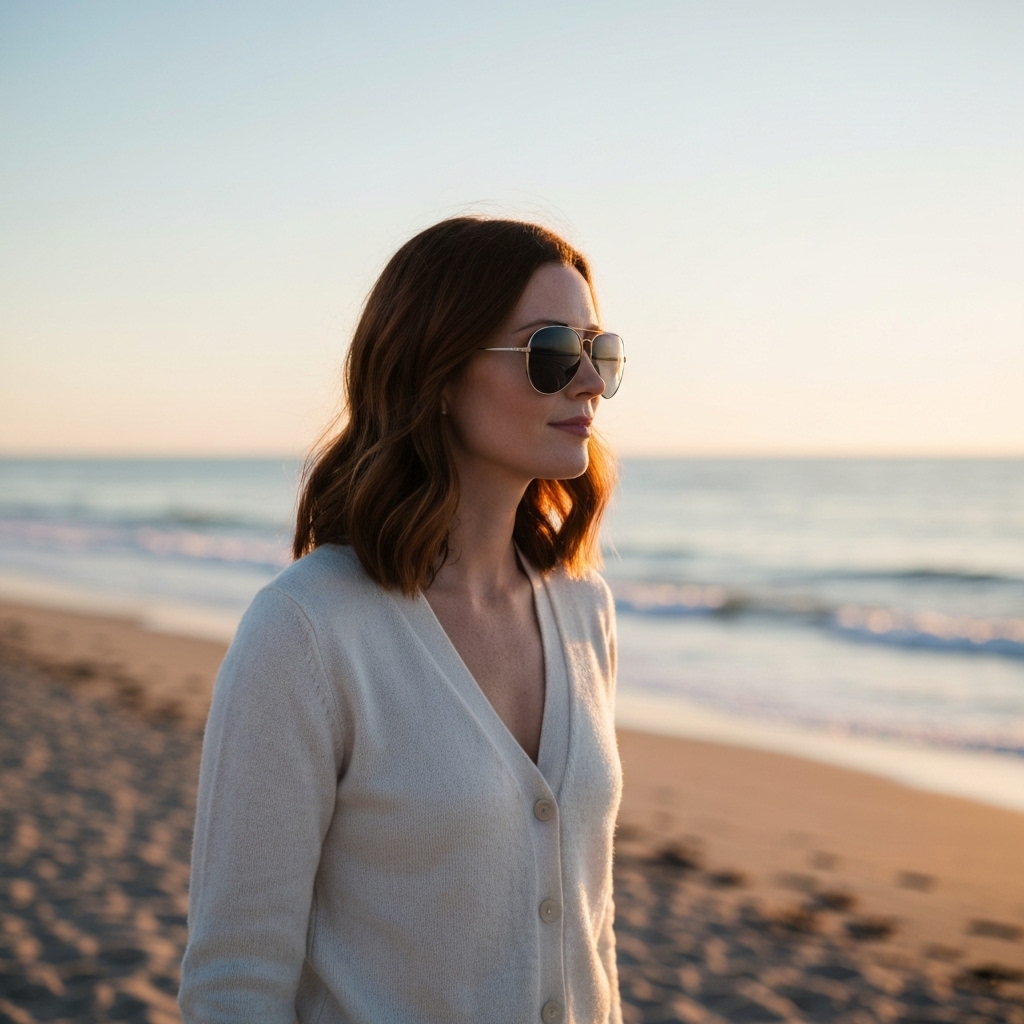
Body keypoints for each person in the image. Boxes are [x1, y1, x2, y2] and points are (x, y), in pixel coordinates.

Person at [179, 217, 627, 1024]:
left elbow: (591, 925)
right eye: (554, 351)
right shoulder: (307, 631)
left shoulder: (583, 609)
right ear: (439, 373)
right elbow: (235, 981)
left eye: (601, 351)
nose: (590, 382)